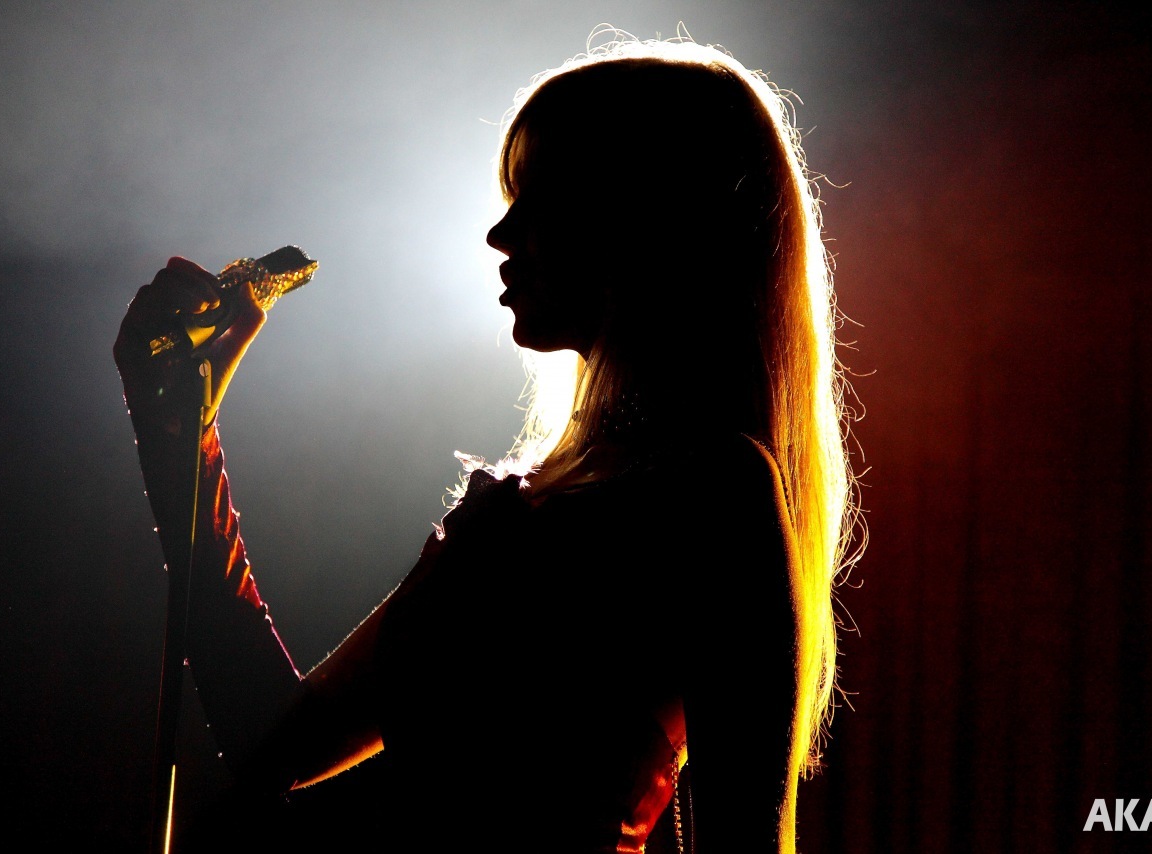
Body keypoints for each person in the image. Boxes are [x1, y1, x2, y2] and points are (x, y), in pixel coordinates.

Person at [114, 32, 857, 854]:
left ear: (644, 217)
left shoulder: (714, 488)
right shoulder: (513, 512)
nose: (500, 236)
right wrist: (179, 435)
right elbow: (269, 738)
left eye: (540, 199)